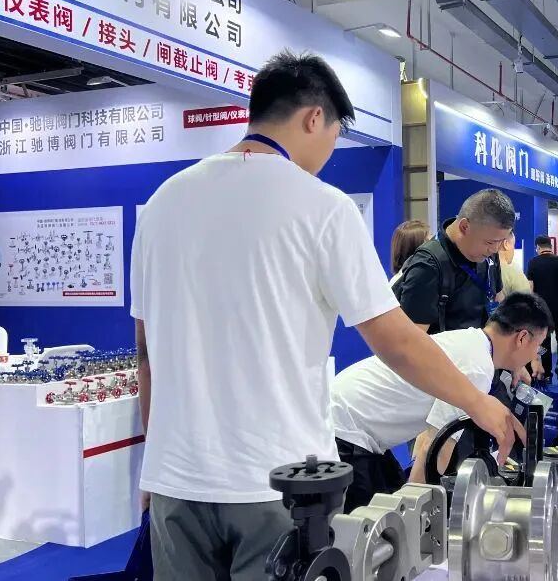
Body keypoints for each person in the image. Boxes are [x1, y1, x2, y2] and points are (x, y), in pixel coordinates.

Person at [131, 51, 523, 580]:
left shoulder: (162, 204)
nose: (330, 151)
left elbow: (147, 354)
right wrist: (479, 402)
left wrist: (154, 468)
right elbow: (398, 341)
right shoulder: (323, 207)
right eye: (336, 134)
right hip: (279, 481)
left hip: (177, 481)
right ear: (315, 117)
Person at [329, 292, 552, 512]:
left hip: (352, 420)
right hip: (348, 430)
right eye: (539, 347)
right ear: (522, 338)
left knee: (393, 501)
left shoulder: (471, 342)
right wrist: (413, 514)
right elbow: (436, 447)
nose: (535, 354)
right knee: (371, 524)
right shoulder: (478, 368)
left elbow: (428, 439)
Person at [394, 189, 512, 335]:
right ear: (464, 227)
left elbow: (498, 300)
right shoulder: (428, 266)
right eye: (490, 242)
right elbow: (411, 340)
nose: (494, 249)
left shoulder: (489, 257)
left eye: (501, 241)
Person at [526, 235, 558, 382]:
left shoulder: (533, 262)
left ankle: (546, 373)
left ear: (538, 247)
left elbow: (530, 287)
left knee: (544, 339)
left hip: (542, 309)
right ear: (550, 246)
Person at [498, 231, 531, 297]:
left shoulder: (484, 267)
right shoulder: (514, 271)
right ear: (506, 244)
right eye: (513, 245)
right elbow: (525, 300)